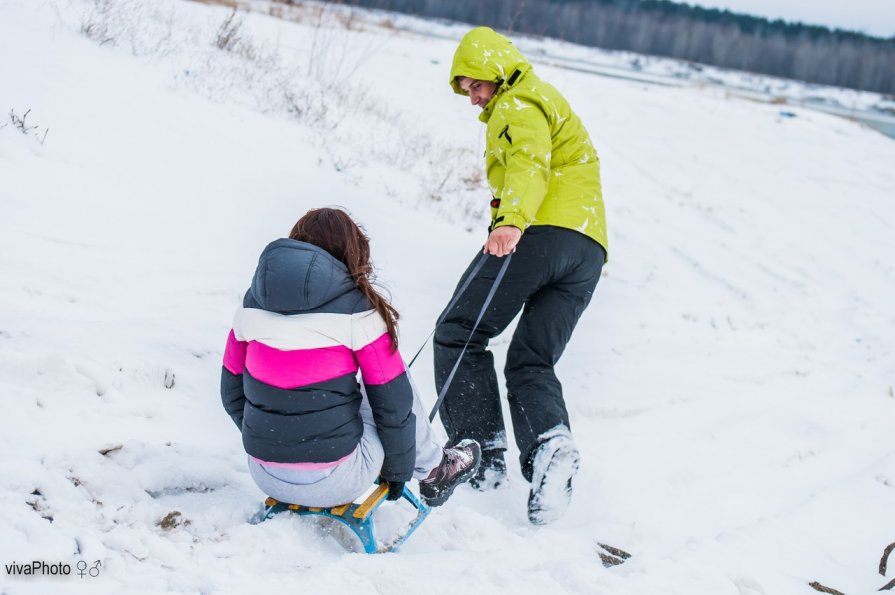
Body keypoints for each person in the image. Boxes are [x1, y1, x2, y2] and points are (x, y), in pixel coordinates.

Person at [435, 27, 609, 525]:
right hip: (588, 250)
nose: (474, 99)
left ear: (494, 69)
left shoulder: (517, 103)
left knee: (457, 332)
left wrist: (511, 220)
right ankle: (551, 448)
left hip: (540, 233)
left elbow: (530, 161)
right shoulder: (548, 99)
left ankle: (480, 459)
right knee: (532, 362)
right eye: (468, 91)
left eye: (474, 86)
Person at [221, 208, 481, 509]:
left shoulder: (252, 304)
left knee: (343, 379)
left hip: (265, 472)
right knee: (389, 382)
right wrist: (398, 470)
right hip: (338, 479)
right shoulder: (359, 312)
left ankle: (425, 463)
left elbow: (231, 393)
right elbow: (394, 407)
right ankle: (435, 470)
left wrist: (277, 441)